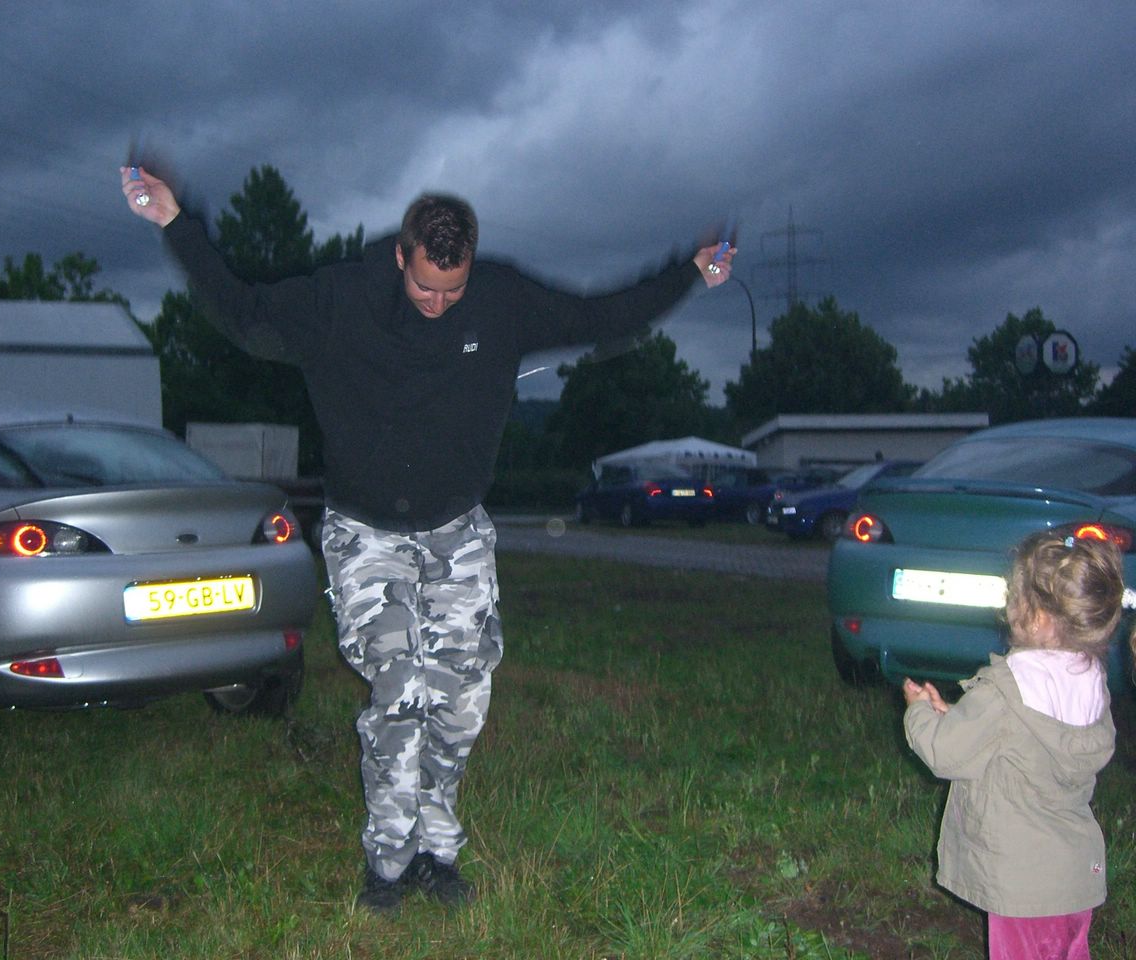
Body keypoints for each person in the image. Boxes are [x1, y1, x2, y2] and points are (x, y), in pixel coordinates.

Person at [120, 164, 736, 912]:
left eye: (453, 290)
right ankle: (388, 862)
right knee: (399, 690)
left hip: (457, 530)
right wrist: (175, 223)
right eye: (424, 287)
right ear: (400, 256)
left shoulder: (500, 299)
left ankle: (438, 853)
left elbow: (600, 318)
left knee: (461, 699)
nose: (439, 303)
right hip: (365, 531)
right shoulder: (343, 299)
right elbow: (246, 315)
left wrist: (688, 275)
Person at [903, 530, 1129, 960]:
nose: (1007, 604)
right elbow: (1017, 739)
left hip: (1023, 885)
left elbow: (945, 753)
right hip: (1075, 877)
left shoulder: (1007, 689)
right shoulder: (1091, 680)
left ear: (1039, 618)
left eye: (1013, 594)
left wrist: (919, 713)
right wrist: (955, 715)